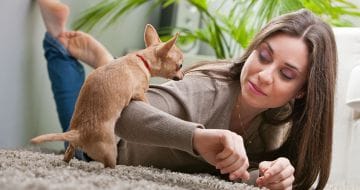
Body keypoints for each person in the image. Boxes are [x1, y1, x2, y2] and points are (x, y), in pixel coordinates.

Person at [37, 0, 337, 189]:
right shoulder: (204, 90)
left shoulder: (276, 121)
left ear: (301, 93)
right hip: (104, 147)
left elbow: (232, 175)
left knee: (120, 90)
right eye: (263, 56)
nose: (264, 74)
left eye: (286, 74)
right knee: (83, 122)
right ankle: (57, 40)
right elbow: (122, 117)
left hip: (137, 105)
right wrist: (196, 137)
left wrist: (269, 175)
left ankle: (114, 66)